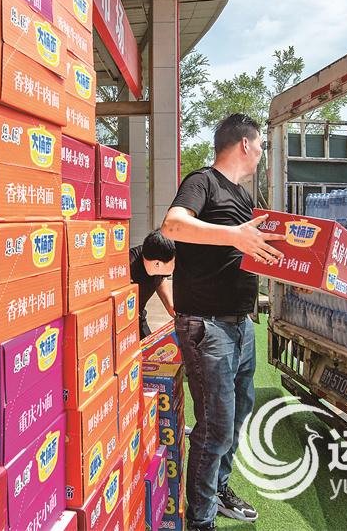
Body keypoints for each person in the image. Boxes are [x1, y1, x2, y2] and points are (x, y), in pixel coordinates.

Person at [161, 113, 284, 530]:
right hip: (208, 326)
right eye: (260, 144)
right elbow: (173, 225)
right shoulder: (203, 182)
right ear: (245, 144)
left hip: (240, 325)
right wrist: (234, 236)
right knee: (215, 426)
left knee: (235, 417)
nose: (262, 152)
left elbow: (247, 249)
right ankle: (201, 518)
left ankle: (217, 490)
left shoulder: (244, 198)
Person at [129, 229, 177, 338]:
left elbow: (160, 280)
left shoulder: (156, 259)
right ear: (157, 264)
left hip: (138, 315)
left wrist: (171, 308)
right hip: (122, 321)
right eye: (174, 263)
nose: (176, 267)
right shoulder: (128, 266)